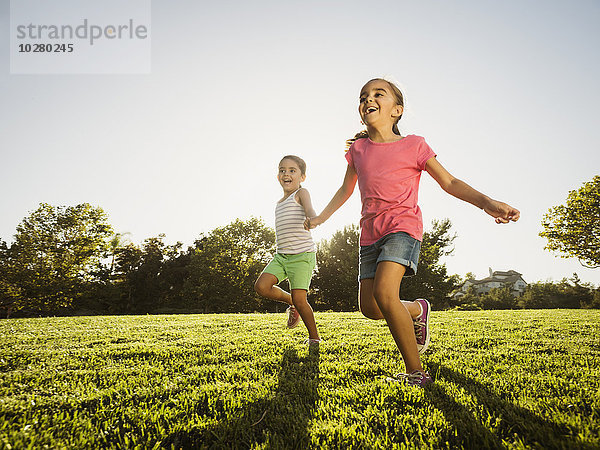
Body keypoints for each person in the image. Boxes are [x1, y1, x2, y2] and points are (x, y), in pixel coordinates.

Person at [304, 78, 520, 386]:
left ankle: (416, 372)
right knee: (371, 308)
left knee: (384, 293)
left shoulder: (414, 145)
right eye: (364, 95)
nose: (369, 99)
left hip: (402, 227)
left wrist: (486, 202)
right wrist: (321, 217)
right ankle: (417, 309)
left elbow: (449, 182)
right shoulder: (359, 150)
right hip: (370, 234)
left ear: (397, 110)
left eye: (379, 94)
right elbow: (345, 190)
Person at [254, 155, 321, 345]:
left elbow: (310, 209)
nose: (286, 174)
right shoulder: (279, 203)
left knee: (302, 300)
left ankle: (314, 338)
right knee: (261, 287)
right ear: (277, 176)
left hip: (302, 256)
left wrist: (312, 218)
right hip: (281, 256)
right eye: (282, 170)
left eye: (292, 170)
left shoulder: (301, 193)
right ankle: (291, 302)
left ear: (302, 177)